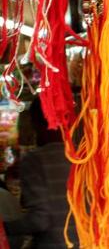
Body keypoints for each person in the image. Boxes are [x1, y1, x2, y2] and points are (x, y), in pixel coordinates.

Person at [4, 98, 78, 248]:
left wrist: (5, 228)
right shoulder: (83, 156)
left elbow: (39, 220)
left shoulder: (35, 161)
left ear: (36, 123)